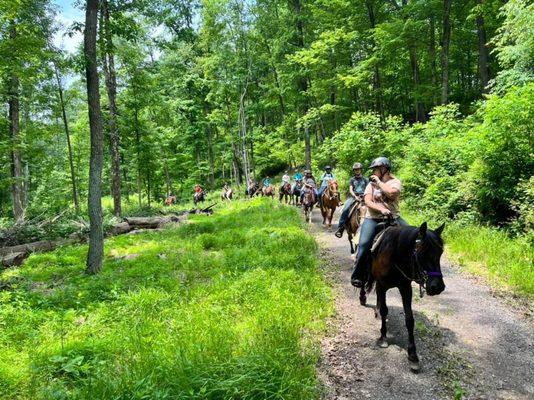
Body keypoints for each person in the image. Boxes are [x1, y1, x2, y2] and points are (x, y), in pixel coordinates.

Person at [350, 157, 409, 288]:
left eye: (376, 169)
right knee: (364, 244)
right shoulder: (370, 184)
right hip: (372, 219)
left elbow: (392, 193)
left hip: (394, 217)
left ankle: (413, 272)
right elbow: (368, 201)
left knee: (413, 237)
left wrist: (379, 182)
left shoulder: (395, 182)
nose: (373, 172)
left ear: (384, 169)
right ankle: (357, 275)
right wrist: (381, 209)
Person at [335, 163, 369, 238]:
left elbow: (368, 189)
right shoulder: (352, 179)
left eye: (358, 169)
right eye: (356, 170)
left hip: (364, 197)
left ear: (361, 170)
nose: (357, 171)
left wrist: (365, 196)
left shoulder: (365, 179)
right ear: (354, 171)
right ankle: (340, 228)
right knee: (346, 209)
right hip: (354, 197)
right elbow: (351, 189)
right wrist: (355, 196)